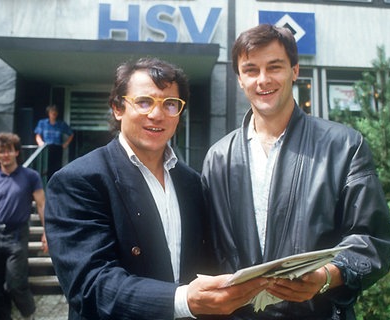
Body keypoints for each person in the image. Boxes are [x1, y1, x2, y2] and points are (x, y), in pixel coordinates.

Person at [44, 57, 269, 320]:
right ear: (118, 108)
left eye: (170, 104)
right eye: (143, 102)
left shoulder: (192, 182)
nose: (157, 114)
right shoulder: (79, 181)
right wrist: (184, 300)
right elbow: (91, 285)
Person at [201, 24, 390, 319]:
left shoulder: (344, 146)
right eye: (251, 70)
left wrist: (328, 276)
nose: (263, 80)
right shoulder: (218, 157)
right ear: (240, 79)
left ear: (294, 70)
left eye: (274, 67)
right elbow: (207, 248)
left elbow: (373, 240)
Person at [0, 132, 47, 320]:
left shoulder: (31, 176)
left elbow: (42, 205)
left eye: (8, 151)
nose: (5, 155)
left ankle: (29, 315)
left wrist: (47, 231)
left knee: (15, 283)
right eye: (1, 152)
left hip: (17, 234)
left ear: (16, 153)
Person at [34, 104, 74, 180]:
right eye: (52, 112)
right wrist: (40, 142)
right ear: (48, 113)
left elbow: (71, 134)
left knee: (56, 169)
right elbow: (37, 135)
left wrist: (66, 143)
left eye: (55, 112)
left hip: (57, 148)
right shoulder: (42, 123)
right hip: (46, 148)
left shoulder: (61, 124)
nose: (54, 113)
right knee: (45, 168)